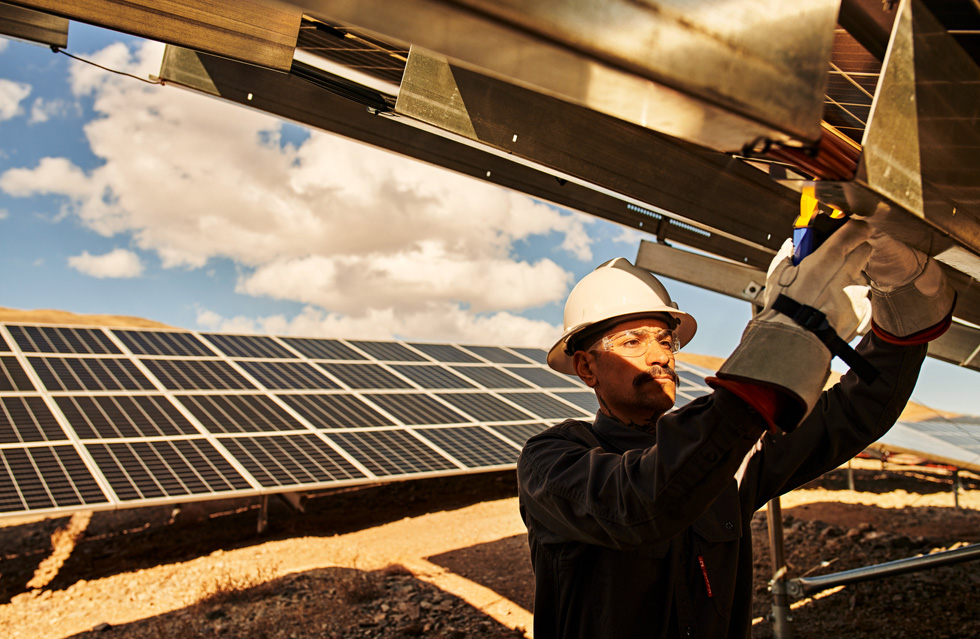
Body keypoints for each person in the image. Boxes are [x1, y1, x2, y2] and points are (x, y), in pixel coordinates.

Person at [517, 220, 955, 639]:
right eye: (633, 342)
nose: (660, 357)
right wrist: (781, 339)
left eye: (666, 340)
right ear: (586, 367)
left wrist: (902, 327)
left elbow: (850, 414)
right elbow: (642, 503)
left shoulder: (726, 454)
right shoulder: (550, 461)